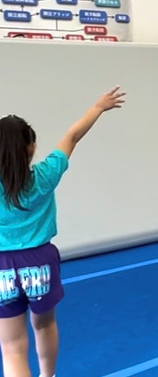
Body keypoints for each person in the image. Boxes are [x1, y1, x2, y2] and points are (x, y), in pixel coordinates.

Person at [0, 86, 125, 377]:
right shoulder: (45, 176)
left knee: (12, 347)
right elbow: (72, 136)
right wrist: (98, 107)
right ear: (31, 148)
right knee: (44, 325)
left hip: (2, 265)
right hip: (40, 261)